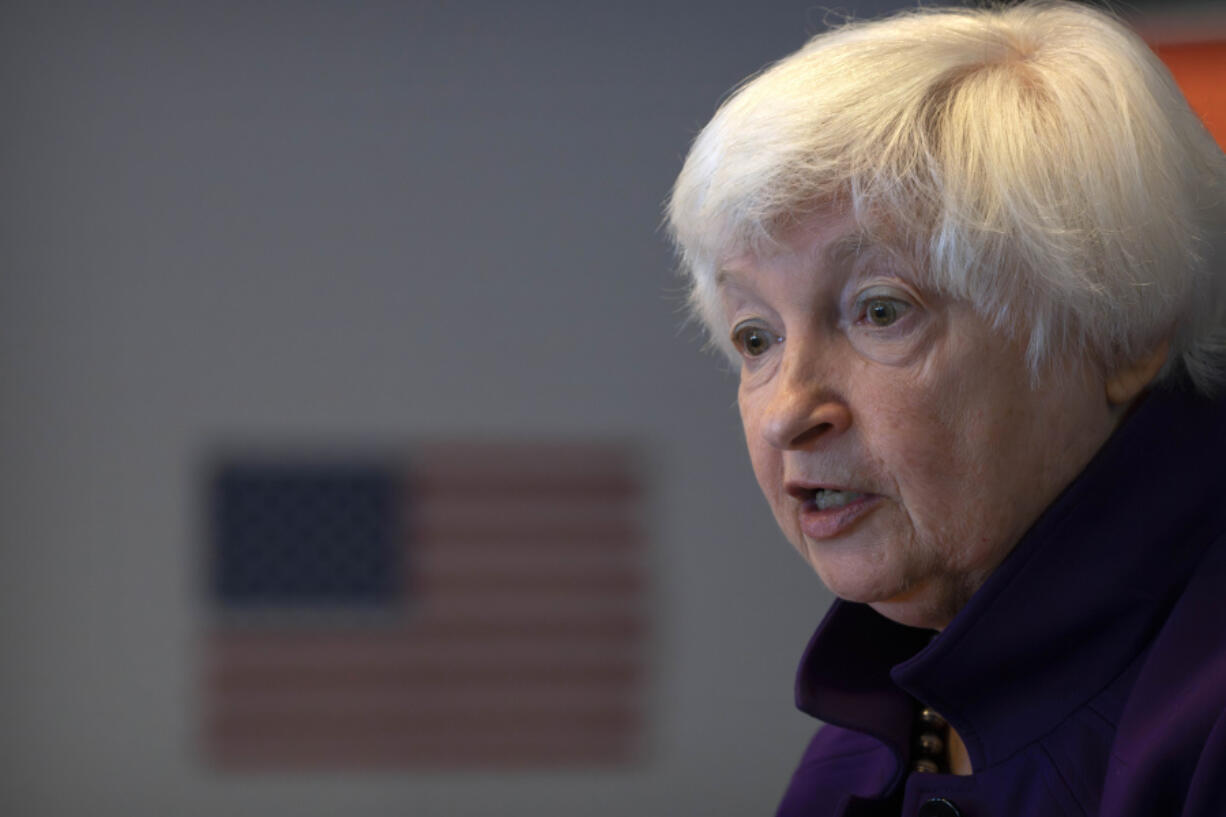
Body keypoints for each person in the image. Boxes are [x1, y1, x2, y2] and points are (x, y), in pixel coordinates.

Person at [665, 2, 1226, 815]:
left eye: (880, 311)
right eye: (756, 337)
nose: (789, 411)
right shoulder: (852, 752)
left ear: (1119, 329)